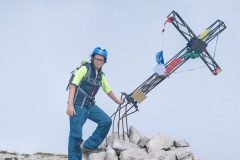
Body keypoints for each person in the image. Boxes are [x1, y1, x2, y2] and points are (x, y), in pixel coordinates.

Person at [66, 47, 124, 160]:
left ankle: (89, 146)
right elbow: (73, 85)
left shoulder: (101, 76)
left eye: (101, 60)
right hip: (78, 106)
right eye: (97, 59)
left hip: (90, 106)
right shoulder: (84, 69)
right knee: (75, 134)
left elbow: (108, 90)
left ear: (104, 62)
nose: (99, 61)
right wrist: (70, 105)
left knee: (106, 121)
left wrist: (118, 101)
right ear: (92, 59)